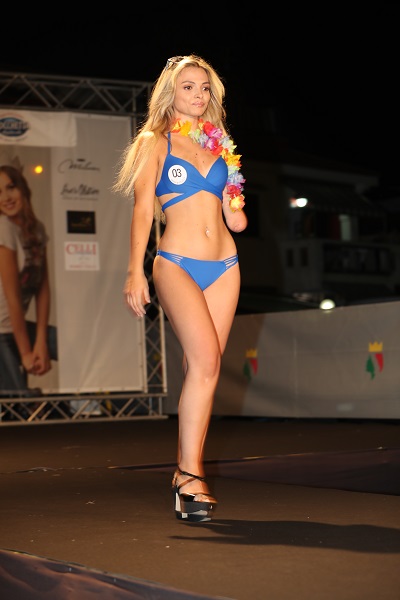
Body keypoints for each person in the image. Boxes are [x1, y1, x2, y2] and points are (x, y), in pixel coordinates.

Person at [114, 55, 247, 522]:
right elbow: (142, 210)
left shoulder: (218, 144)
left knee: (202, 369)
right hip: (176, 263)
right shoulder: (154, 142)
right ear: (171, 92)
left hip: (225, 266)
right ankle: (190, 476)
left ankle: (183, 476)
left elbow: (236, 220)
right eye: (188, 86)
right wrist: (134, 271)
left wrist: (234, 194)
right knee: (206, 364)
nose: (198, 95)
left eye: (205, 88)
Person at [0, 164, 57, 399]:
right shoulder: (3, 228)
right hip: (2, 331)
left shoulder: (37, 230)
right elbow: (12, 298)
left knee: (64, 344)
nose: (6, 197)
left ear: (22, 188)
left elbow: (43, 290)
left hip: (17, 327)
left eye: (10, 187)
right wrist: (26, 352)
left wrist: (41, 341)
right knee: (20, 404)